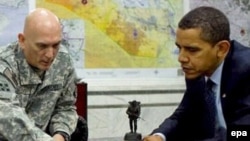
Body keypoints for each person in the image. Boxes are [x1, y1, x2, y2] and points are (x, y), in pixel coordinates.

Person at [143, 6, 250, 141]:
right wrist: (159, 136)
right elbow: (185, 112)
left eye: (192, 50)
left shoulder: (246, 71)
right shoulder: (198, 70)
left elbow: (242, 134)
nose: (181, 58)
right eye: (179, 48)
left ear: (222, 49)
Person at [0, 8, 78, 141]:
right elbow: (9, 118)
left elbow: (66, 107)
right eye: (42, 46)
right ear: (22, 40)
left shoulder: (63, 61)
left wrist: (60, 135)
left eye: (56, 45)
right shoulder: (4, 65)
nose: (50, 55)